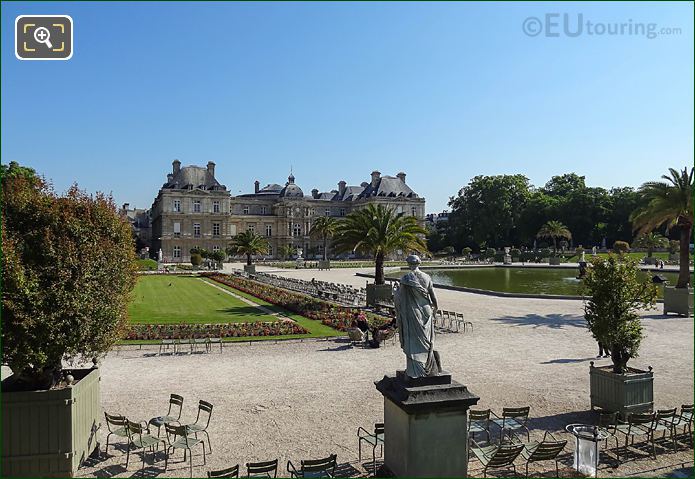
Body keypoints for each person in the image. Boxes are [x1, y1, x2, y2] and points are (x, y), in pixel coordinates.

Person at [393, 254, 441, 377]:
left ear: (408, 264)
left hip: (413, 312)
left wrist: (395, 293)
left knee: (413, 341)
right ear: (419, 263)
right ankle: (429, 367)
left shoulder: (406, 278)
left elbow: (400, 298)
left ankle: (415, 370)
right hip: (426, 310)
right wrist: (435, 308)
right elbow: (433, 296)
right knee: (428, 340)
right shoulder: (427, 277)